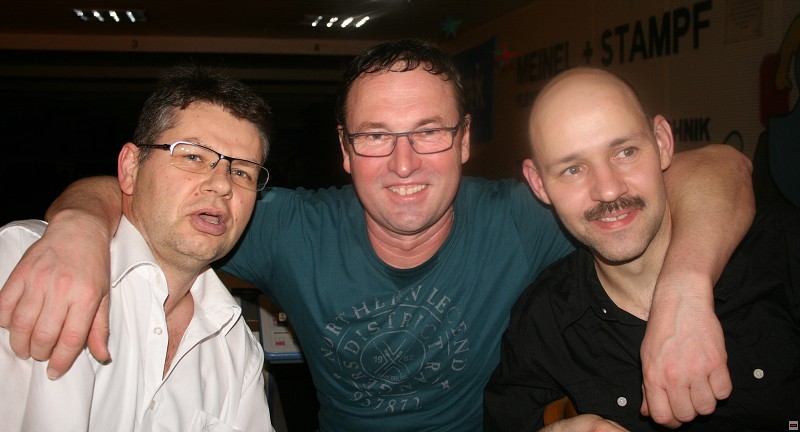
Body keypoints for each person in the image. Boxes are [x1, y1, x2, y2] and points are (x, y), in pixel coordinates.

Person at [0, 39, 755, 431]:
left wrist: (685, 289)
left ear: (465, 140)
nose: (403, 163)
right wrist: (78, 226)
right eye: (375, 136)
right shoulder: (288, 225)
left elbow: (715, 167)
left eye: (428, 131)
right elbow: (157, 198)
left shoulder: (525, 214)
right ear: (344, 148)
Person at [484, 67, 800, 431]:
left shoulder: (779, 252)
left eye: (626, 152)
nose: (608, 190)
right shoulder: (543, 321)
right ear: (539, 184)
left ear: (662, 142)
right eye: (572, 169)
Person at [0, 64, 275, 431]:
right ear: (130, 168)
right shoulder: (23, 262)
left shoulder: (236, 347)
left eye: (242, 172)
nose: (222, 185)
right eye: (193, 156)